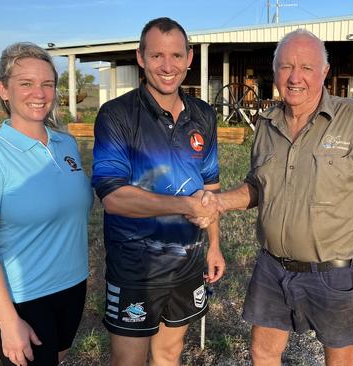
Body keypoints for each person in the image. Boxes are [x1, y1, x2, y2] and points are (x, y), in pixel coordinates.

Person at [199, 29, 353, 365]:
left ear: (324, 72)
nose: (295, 78)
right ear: (274, 72)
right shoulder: (267, 122)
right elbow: (260, 187)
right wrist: (219, 202)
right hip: (272, 266)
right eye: (286, 67)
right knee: (262, 351)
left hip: (334, 274)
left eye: (306, 67)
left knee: (342, 360)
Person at [91, 17, 224, 366]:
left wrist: (214, 245)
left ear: (190, 58)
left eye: (177, 56)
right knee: (129, 361)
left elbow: (210, 189)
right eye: (157, 56)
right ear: (140, 57)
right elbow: (113, 195)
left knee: (169, 354)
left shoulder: (204, 115)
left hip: (188, 263)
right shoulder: (116, 115)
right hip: (136, 268)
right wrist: (183, 205)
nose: (168, 67)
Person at [0, 42, 93, 366]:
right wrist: (8, 321)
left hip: (73, 288)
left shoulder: (66, 144)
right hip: (24, 299)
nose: (40, 93)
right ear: (3, 90)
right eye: (26, 83)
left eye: (47, 84)